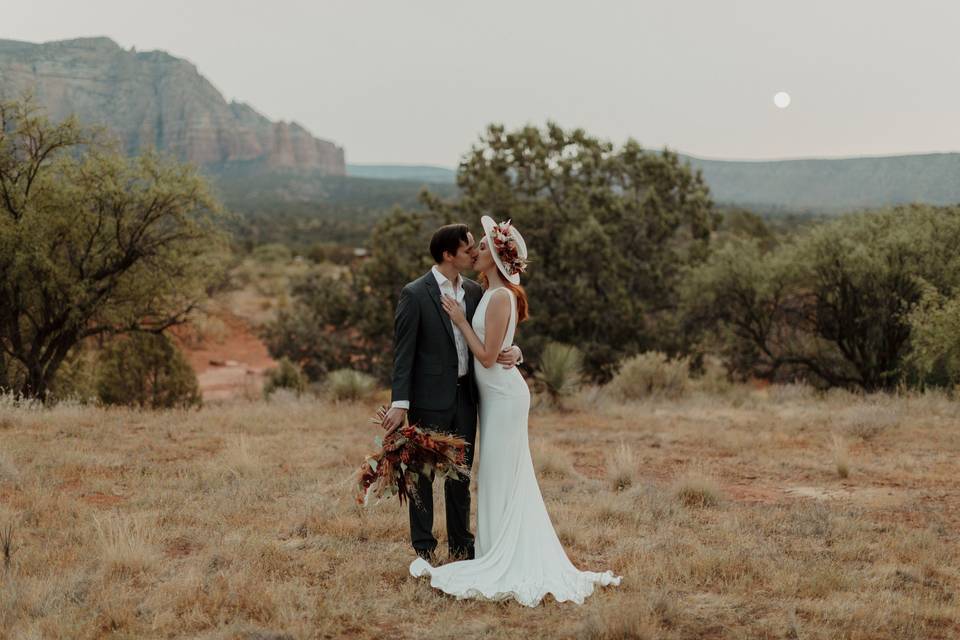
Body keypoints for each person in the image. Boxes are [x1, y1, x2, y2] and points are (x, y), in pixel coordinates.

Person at [408, 216, 621, 607]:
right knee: (496, 474)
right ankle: (492, 549)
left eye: (484, 247)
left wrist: (460, 320)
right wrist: (514, 349)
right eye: (475, 247)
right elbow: (502, 344)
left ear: (499, 259)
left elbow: (488, 356)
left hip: (502, 397)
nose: (477, 251)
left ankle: (502, 554)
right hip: (490, 397)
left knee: (500, 473)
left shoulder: (496, 295)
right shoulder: (485, 291)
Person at [382, 223, 522, 562]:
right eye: (468, 248)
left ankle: (462, 547)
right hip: (428, 399)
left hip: (468, 397)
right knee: (423, 475)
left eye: (477, 247)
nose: (474, 252)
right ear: (448, 255)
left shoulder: (476, 291)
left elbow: (495, 335)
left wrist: (516, 351)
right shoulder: (415, 293)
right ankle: (425, 551)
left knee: (460, 475)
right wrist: (400, 403)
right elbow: (404, 354)